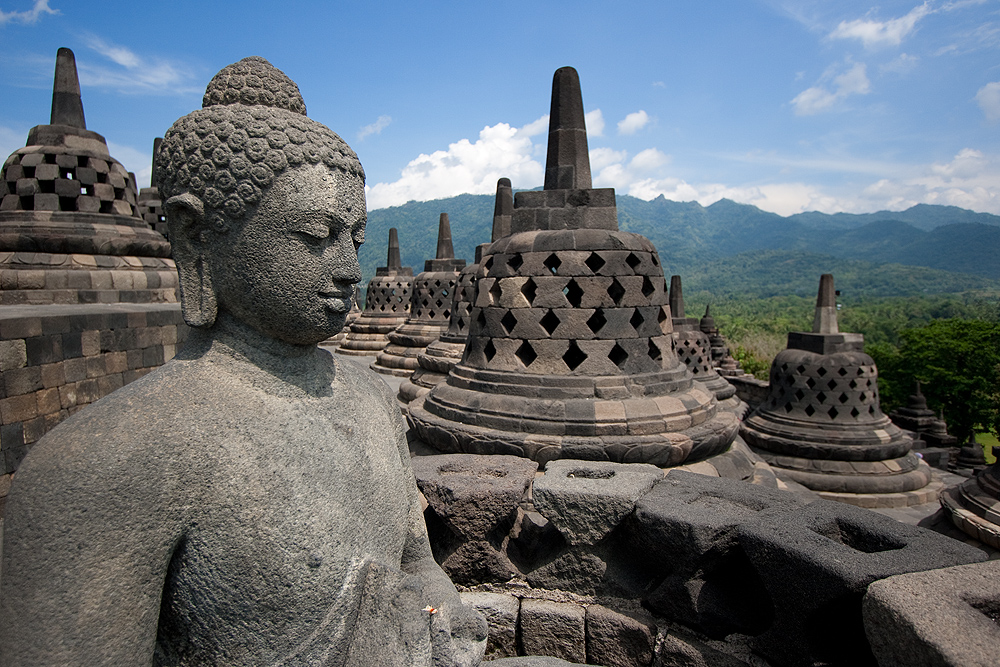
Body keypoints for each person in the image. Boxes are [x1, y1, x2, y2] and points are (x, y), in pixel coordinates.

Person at [0, 56, 486, 667]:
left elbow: (418, 564)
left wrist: (441, 615)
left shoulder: (374, 401)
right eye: (314, 236)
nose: (347, 269)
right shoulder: (103, 464)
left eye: (354, 240)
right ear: (197, 234)